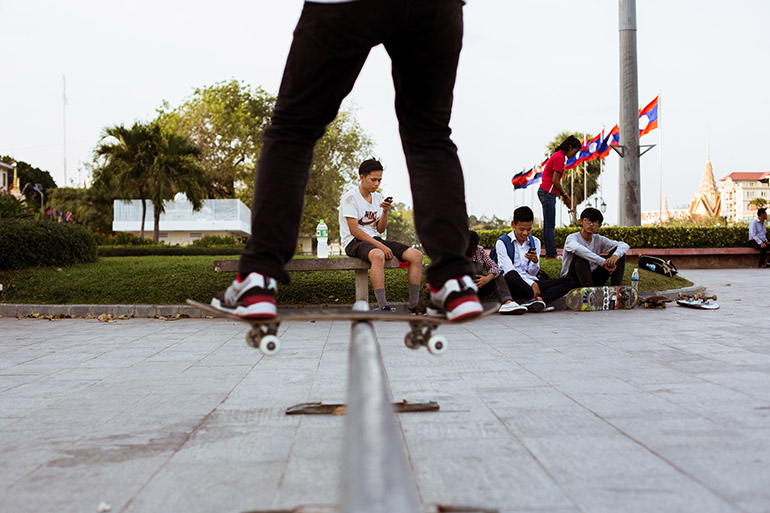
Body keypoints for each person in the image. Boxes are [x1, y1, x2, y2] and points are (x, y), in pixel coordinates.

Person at [211, 0, 482, 321]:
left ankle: (258, 277)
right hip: (436, 7)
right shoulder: (353, 198)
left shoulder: (374, 197)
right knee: (430, 135)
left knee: (293, 128)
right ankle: (453, 276)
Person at [340, 158, 423, 312]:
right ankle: (383, 305)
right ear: (362, 177)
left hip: (375, 239)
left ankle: (413, 306)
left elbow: (379, 229)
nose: (377, 184)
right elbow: (354, 230)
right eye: (373, 180)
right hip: (354, 241)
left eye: (379, 180)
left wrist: (385, 212)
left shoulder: (377, 198)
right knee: (378, 255)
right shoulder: (350, 197)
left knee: (416, 256)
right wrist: (380, 245)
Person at [494, 206, 575, 312]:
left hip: (532, 282)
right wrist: (532, 284)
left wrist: (535, 262)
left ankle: (537, 300)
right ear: (513, 224)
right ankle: (543, 298)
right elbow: (508, 270)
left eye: (529, 229)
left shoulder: (535, 242)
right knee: (512, 276)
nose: (525, 233)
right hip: (515, 284)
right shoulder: (502, 242)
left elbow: (533, 272)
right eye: (522, 229)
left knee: (569, 281)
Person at [561, 207, 630, 287]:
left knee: (620, 254)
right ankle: (590, 293)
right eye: (588, 221)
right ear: (581, 222)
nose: (591, 224)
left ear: (599, 226)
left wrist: (615, 256)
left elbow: (624, 245)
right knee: (581, 257)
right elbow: (577, 249)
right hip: (572, 280)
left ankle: (616, 289)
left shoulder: (598, 239)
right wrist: (603, 262)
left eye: (595, 222)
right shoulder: (572, 238)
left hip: (593, 277)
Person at [538, 135, 581, 259]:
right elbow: (555, 181)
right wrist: (565, 195)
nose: (575, 155)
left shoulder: (559, 156)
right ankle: (551, 254)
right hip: (547, 191)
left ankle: (549, 253)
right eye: (575, 151)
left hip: (547, 191)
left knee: (548, 224)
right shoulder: (559, 158)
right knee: (550, 225)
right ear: (570, 147)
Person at [466, 230, 527, 315]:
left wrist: (486, 279)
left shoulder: (480, 250)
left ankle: (507, 303)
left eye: (470, 255)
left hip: (478, 286)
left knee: (497, 275)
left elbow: (494, 267)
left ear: (475, 249)